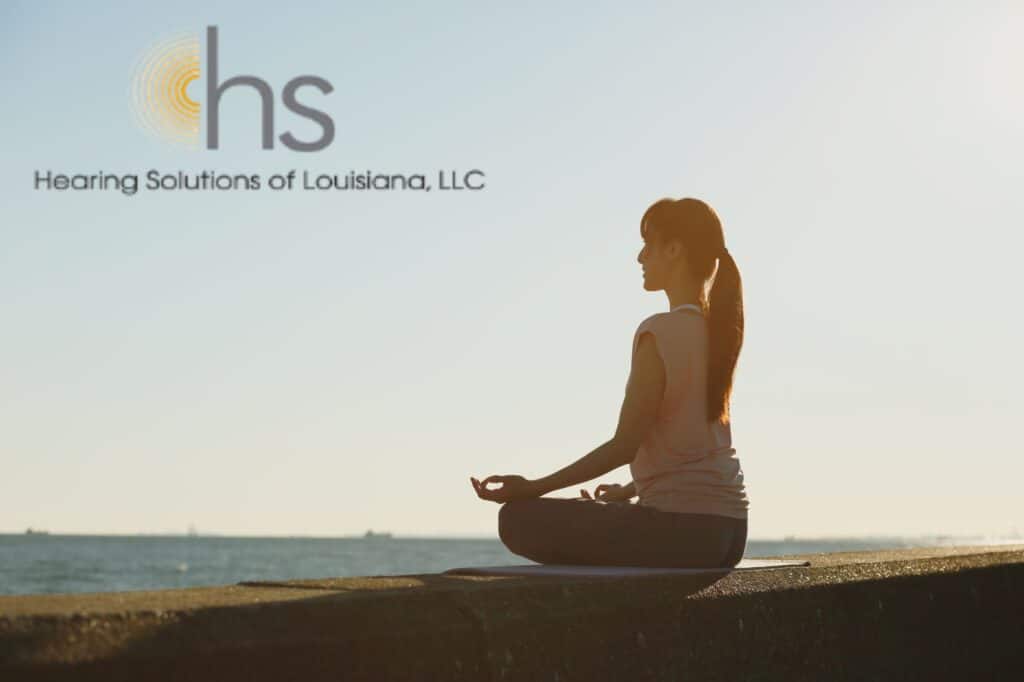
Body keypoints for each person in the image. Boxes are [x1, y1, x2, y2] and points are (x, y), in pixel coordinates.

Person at [471, 197, 749, 568]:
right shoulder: (718, 332)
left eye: (648, 245)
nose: (640, 257)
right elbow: (692, 449)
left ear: (674, 249)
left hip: (682, 531)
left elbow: (624, 446)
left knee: (517, 519)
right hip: (730, 533)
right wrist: (625, 492)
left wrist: (533, 487)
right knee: (582, 514)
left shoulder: (658, 332)